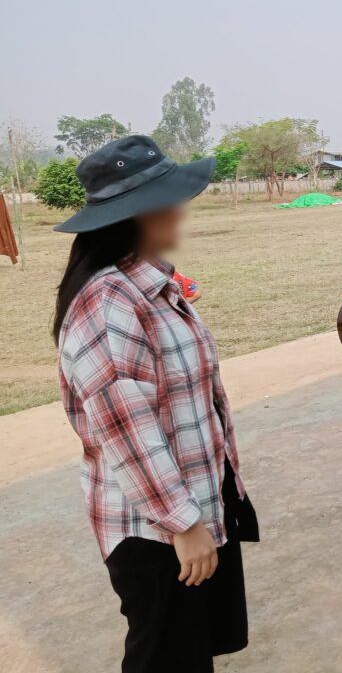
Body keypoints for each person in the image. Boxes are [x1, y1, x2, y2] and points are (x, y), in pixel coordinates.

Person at [53, 136, 259, 673]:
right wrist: (183, 525)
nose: (181, 209)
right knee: (165, 658)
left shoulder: (154, 286)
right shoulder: (109, 304)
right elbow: (128, 430)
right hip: (156, 530)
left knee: (190, 653)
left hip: (192, 507)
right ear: (140, 214)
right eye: (171, 199)